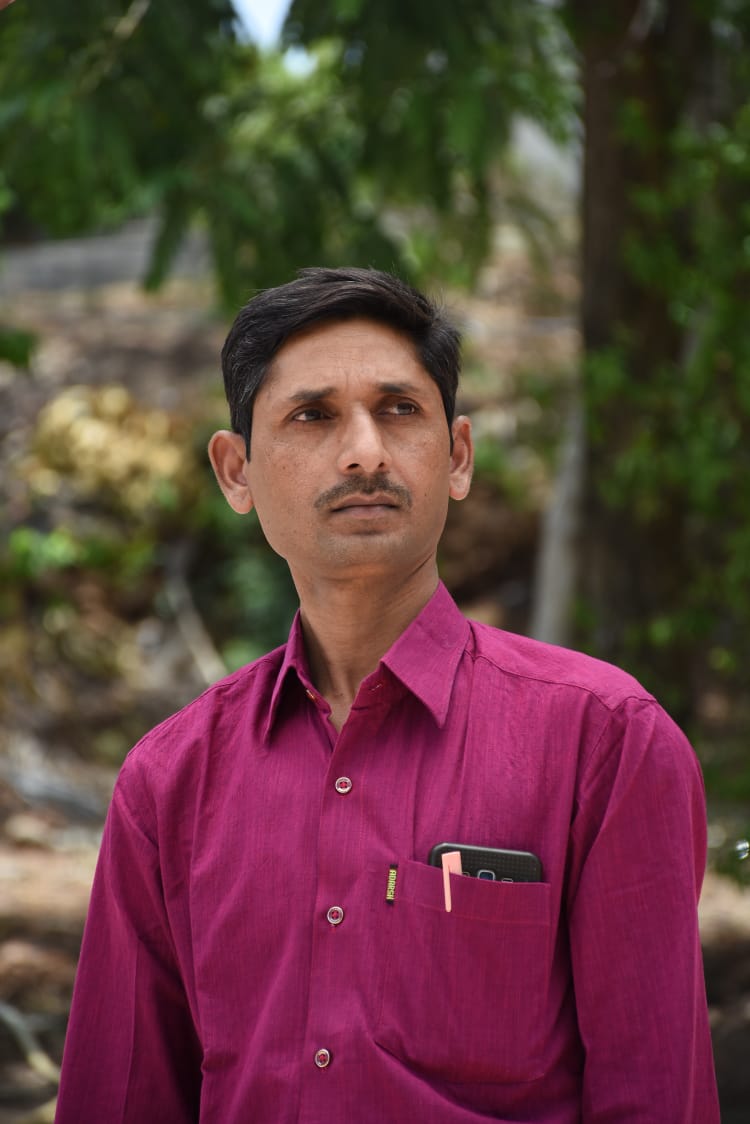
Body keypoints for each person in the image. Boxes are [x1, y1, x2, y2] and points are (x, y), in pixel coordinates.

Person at [55, 267, 719, 1123]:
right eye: (313, 415)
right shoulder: (168, 782)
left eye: (399, 409)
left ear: (458, 456)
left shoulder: (605, 742)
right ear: (236, 472)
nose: (365, 451)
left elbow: (657, 1096)